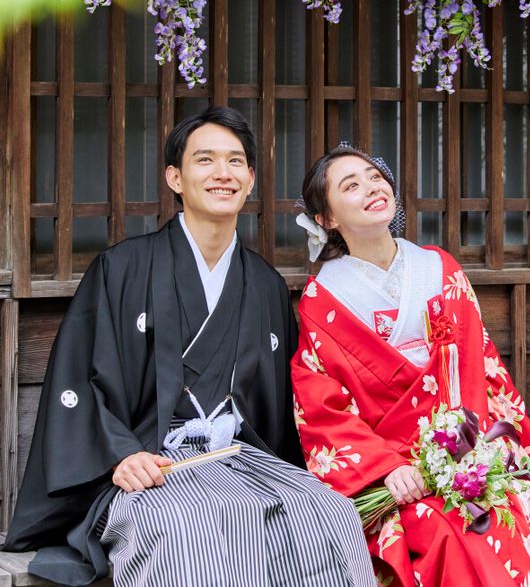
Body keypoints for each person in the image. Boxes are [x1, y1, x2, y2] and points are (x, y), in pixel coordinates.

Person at [2, 108, 374, 587]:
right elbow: (77, 382)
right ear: (175, 178)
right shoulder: (121, 269)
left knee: (329, 514)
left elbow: (285, 407)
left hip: (236, 459)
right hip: (148, 467)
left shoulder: (264, 284)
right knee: (187, 527)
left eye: (235, 162)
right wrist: (121, 455)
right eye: (205, 160)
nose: (223, 173)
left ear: (250, 179)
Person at [290, 145, 530, 587]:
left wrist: (474, 449)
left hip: (468, 447)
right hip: (394, 475)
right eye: (351, 185)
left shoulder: (439, 268)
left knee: (502, 515)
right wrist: (386, 469)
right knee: (442, 531)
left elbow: (481, 365)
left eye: (374, 177)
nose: (372, 188)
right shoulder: (322, 301)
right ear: (327, 218)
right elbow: (321, 407)